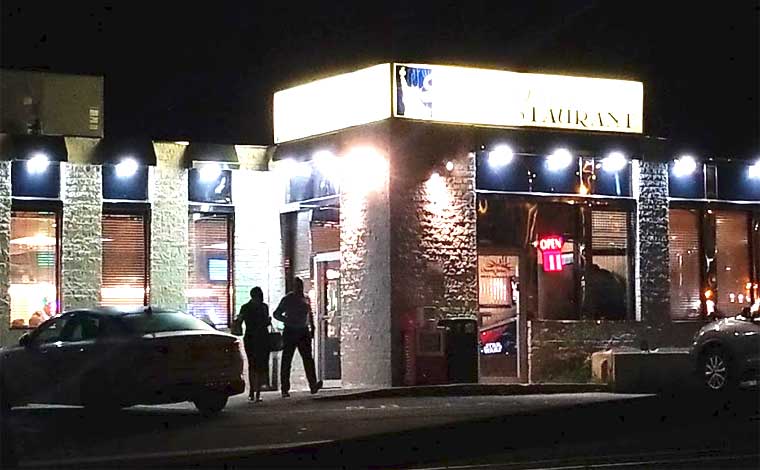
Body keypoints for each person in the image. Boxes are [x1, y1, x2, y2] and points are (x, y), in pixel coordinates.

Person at [273, 277, 322, 397]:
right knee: (287, 359)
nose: (299, 288)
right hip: (290, 331)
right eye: (297, 286)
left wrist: (312, 327)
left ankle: (313, 385)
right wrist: (287, 320)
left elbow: (309, 313)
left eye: (300, 285)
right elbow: (276, 313)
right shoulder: (288, 299)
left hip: (303, 331)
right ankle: (285, 388)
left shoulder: (305, 298)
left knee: (308, 359)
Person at [233, 287, 271, 402]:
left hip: (250, 338)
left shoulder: (245, 307)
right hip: (262, 338)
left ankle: (252, 392)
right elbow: (266, 322)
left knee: (252, 365)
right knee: (259, 365)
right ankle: (257, 392)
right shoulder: (264, 307)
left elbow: (239, 321)